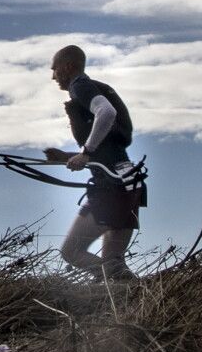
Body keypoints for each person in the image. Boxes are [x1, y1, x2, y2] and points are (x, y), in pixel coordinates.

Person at [45, 43, 139, 282]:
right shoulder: (95, 87)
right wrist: (67, 156)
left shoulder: (80, 86)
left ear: (68, 66)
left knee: (71, 252)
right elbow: (110, 147)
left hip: (112, 185)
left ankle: (119, 285)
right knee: (114, 264)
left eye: (55, 69)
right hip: (127, 179)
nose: (53, 76)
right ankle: (134, 293)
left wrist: (86, 152)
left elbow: (106, 113)